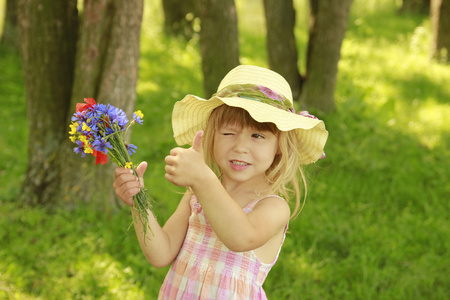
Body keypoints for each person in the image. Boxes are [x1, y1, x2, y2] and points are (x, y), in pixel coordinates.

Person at [113, 65, 328, 299]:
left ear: (279, 148)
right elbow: (161, 254)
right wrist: (138, 203)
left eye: (258, 136)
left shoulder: (273, 207)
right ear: (211, 137)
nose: (240, 147)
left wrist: (202, 178)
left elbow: (240, 237)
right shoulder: (196, 194)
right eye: (228, 133)